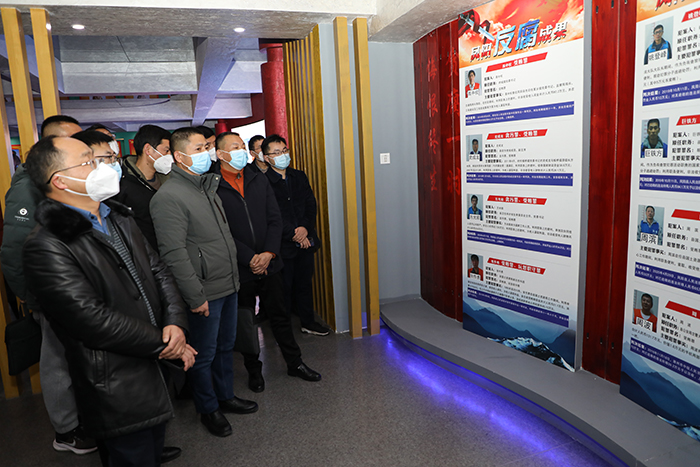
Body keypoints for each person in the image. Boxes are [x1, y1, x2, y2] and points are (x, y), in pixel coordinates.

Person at [22, 136, 195, 467]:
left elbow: (159, 271)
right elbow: (92, 321)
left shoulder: (117, 216)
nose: (104, 167)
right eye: (89, 161)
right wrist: (165, 344)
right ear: (60, 181)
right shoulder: (47, 245)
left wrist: (175, 323)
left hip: (153, 366)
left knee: (152, 448)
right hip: (115, 380)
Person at [150, 127, 257, 438]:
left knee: (225, 347)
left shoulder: (207, 187)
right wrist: (195, 296)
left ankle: (225, 396)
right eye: (198, 149)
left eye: (206, 147)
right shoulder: (169, 197)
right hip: (204, 290)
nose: (206, 153)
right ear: (179, 156)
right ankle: (208, 408)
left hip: (227, 283)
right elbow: (174, 254)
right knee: (204, 354)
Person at [1, 116, 95, 456]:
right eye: (74, 141)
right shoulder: (28, 186)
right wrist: (33, 297)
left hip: (74, 290)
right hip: (49, 294)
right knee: (56, 361)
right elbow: (13, 249)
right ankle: (67, 430)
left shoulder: (72, 183)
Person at [216, 132, 322, 392]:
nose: (241, 151)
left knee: (280, 315)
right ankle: (254, 370)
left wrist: (269, 253)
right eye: (235, 147)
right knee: (245, 322)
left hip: (270, 260)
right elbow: (220, 230)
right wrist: (249, 257)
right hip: (240, 265)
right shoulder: (212, 186)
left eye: (242, 146)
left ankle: (295, 363)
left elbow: (274, 218)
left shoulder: (257, 179)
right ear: (220, 154)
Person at [263, 134, 330, 337]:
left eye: (284, 150)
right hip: (281, 244)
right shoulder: (262, 182)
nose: (282, 155)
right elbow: (270, 214)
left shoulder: (299, 176)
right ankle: (283, 331)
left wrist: (304, 229)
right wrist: (292, 233)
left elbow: (310, 204)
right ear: (266, 158)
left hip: (305, 241)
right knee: (283, 289)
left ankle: (308, 322)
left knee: (304, 284)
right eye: (276, 152)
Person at [115, 124, 173, 250]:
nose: (170, 156)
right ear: (148, 150)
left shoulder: (169, 180)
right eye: (166, 151)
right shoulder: (122, 185)